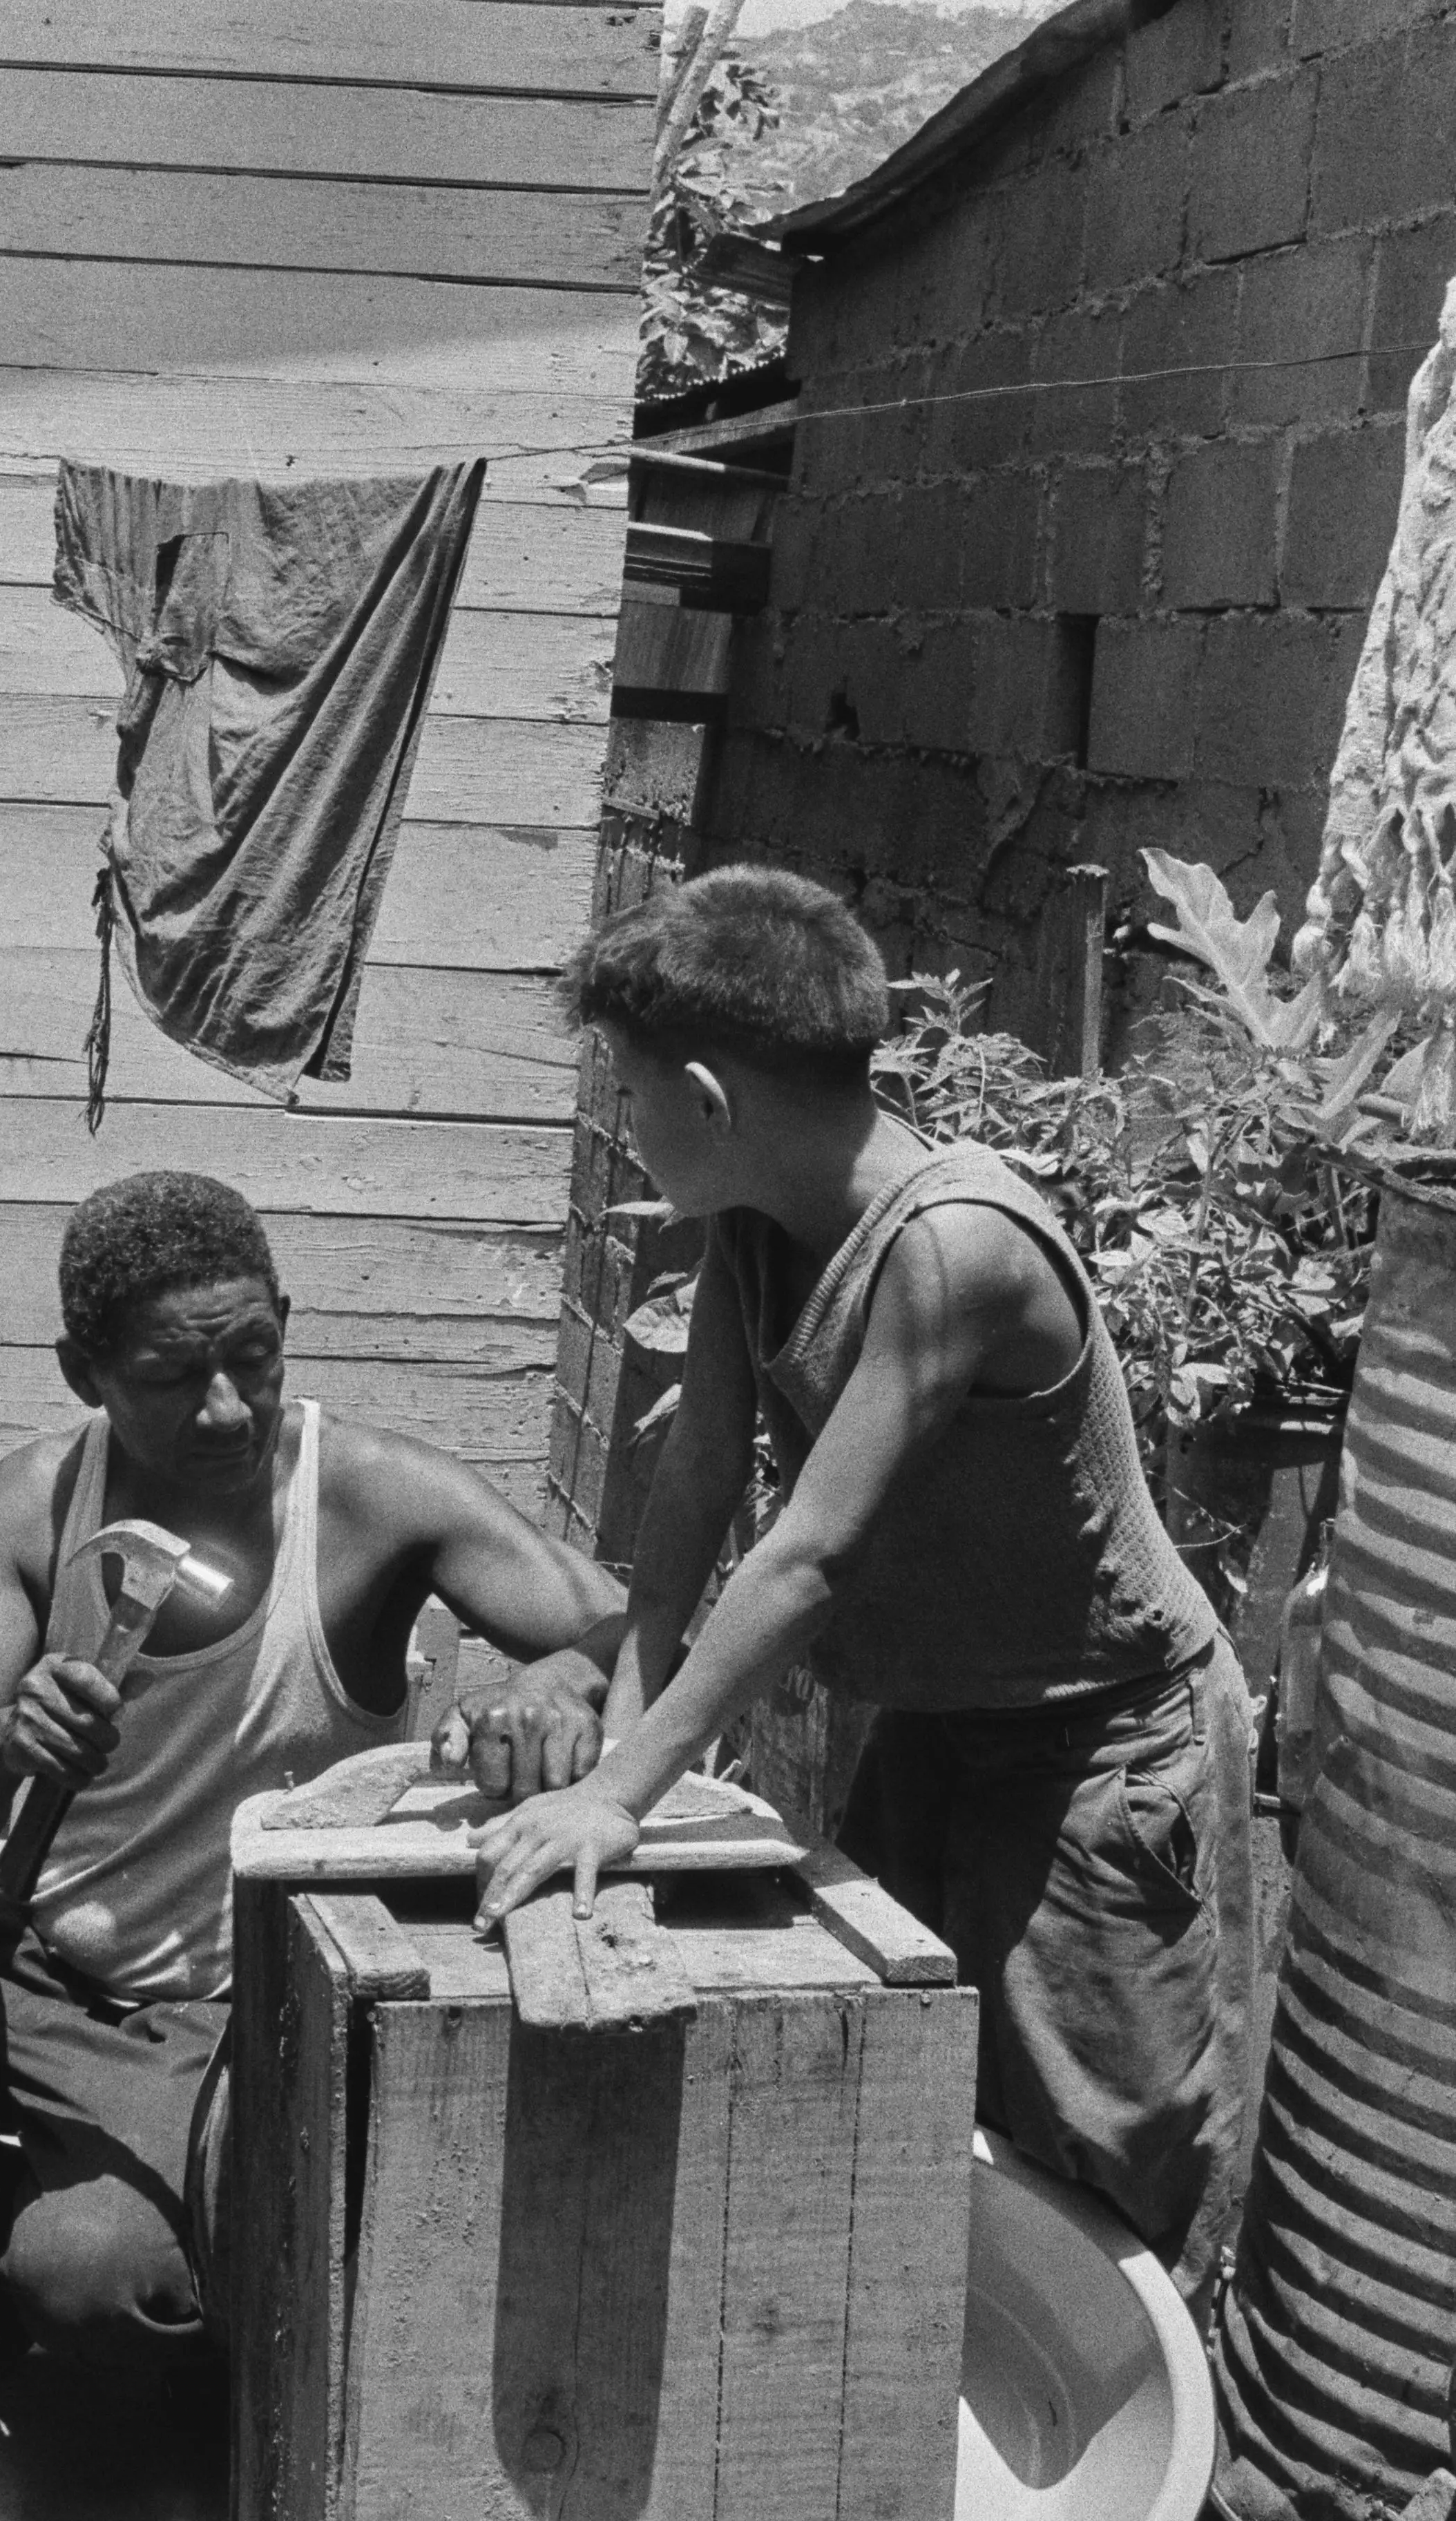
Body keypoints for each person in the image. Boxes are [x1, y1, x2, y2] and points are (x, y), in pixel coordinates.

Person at [470, 866, 1253, 2301]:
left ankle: (1162, 2451)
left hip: (1101, 1744)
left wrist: (616, 1792)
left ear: (706, 1101)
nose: (619, 1124)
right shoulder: (753, 1226)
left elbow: (809, 1554)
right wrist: (630, 1742)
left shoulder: (951, 1246)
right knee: (893, 2071)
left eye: (628, 1096)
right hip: (941, 1722)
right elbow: (698, 1484)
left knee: (1105, 2138)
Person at [0, 1171, 629, 2395]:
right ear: (85, 1376)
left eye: (255, 1359)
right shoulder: (32, 1504)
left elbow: (627, 1635)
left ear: (282, 1320)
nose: (227, 1410)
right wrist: (5, 1741)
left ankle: (147, 2347)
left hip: (243, 2008)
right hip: (44, 1970)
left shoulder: (370, 1495)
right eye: (173, 1380)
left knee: (91, 2273)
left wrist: (557, 1686)